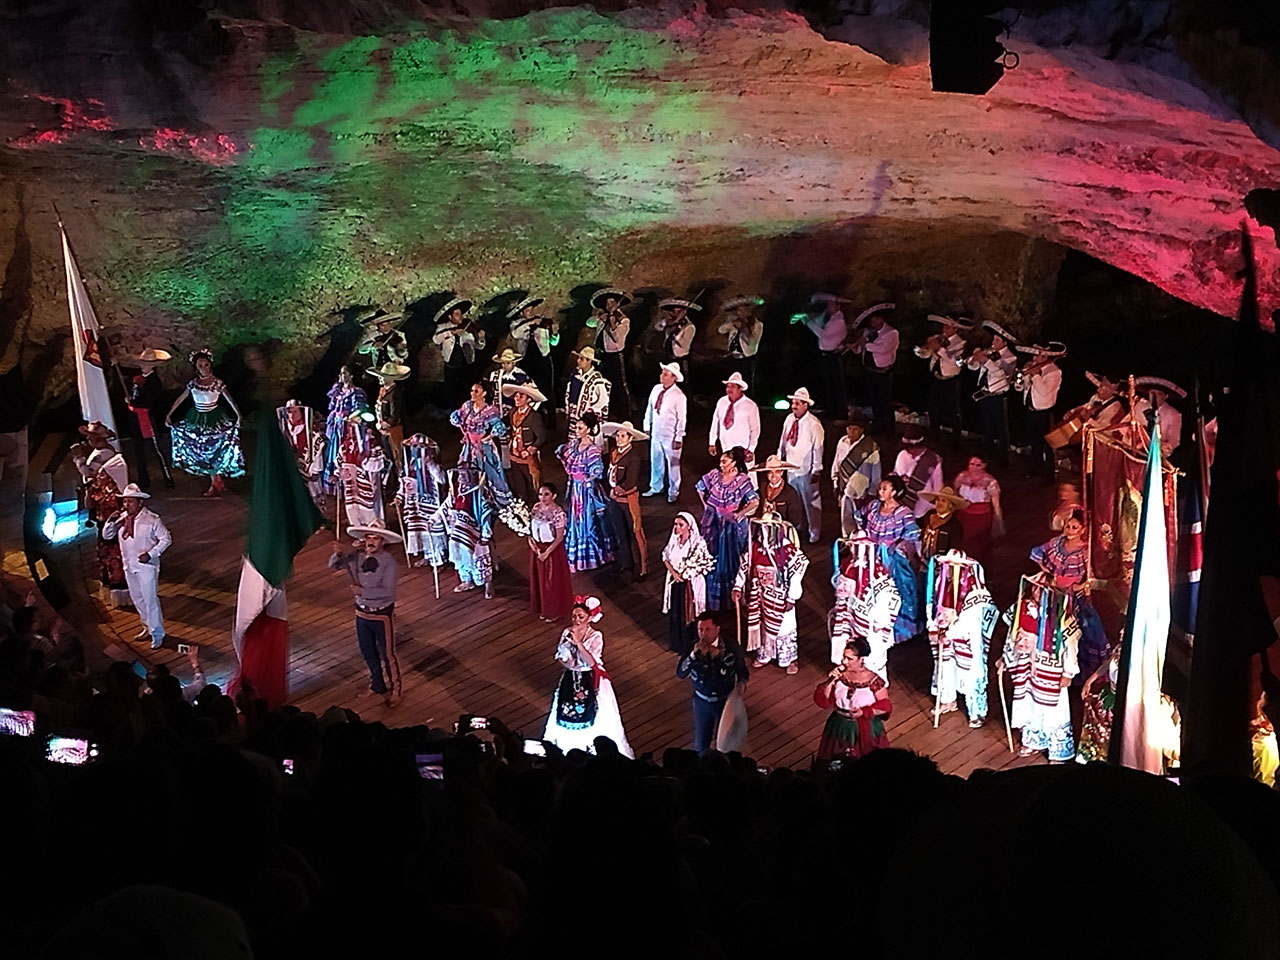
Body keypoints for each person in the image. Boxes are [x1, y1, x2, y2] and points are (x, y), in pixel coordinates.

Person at [1000, 571, 1080, 761]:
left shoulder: (1062, 615)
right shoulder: (1020, 608)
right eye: (1036, 587)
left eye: (1042, 589)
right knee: (1029, 702)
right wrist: (1005, 657)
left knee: (1055, 710)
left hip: (1051, 669)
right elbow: (1012, 635)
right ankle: (1033, 741)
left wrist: (1068, 672)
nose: (1037, 591)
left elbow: (1071, 644)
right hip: (1026, 666)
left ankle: (1057, 749)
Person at [543, 597, 633, 757]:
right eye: (574, 617)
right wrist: (570, 664)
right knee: (567, 708)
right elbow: (561, 656)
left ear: (590, 618)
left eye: (580, 617)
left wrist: (578, 643)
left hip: (591, 678)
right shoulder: (566, 632)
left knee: (596, 711)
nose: (576, 620)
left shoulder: (596, 636)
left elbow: (591, 661)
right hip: (572, 675)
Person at [1030, 508, 1109, 684]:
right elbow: (1038, 553)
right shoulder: (1057, 543)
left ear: (1082, 530)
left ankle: (1082, 676)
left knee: (1084, 634)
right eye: (1068, 526)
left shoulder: (1084, 551)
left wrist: (1078, 586)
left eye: (1074, 527)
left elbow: (1087, 577)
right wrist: (1049, 575)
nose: (1069, 530)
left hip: (1075, 600)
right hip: (1054, 595)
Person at [328, 519, 402, 705]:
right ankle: (377, 684)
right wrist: (337, 554)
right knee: (368, 651)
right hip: (361, 613)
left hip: (381, 614)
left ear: (382, 541)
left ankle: (396, 689)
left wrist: (364, 592)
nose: (370, 541)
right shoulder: (357, 556)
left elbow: (389, 592)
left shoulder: (389, 563)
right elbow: (336, 565)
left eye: (375, 538)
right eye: (368, 537)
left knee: (388, 654)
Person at [925, 550, 997, 727]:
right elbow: (933, 606)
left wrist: (949, 633)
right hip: (946, 635)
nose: (948, 569)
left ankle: (976, 712)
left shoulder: (976, 592)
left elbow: (969, 621)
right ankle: (948, 699)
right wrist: (933, 626)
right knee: (945, 665)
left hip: (966, 639)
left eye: (952, 567)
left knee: (970, 673)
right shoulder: (943, 583)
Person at [736, 513, 809, 675]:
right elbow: (744, 566)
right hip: (760, 595)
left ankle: (789, 658)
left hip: (780, 595)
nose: (764, 531)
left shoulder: (787, 549)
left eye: (767, 528)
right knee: (762, 624)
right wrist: (738, 586)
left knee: (785, 627)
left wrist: (792, 596)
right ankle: (765, 654)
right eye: (762, 527)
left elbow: (798, 571)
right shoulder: (754, 547)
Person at [165, 348, 245, 496]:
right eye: (200, 366)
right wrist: (170, 414)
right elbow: (181, 399)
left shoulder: (217, 383)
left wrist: (238, 416)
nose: (203, 368)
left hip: (214, 418)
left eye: (206, 365)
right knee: (202, 451)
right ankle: (215, 480)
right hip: (196, 418)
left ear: (210, 365)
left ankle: (216, 481)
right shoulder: (193, 383)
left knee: (215, 449)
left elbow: (230, 399)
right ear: (196, 368)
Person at [102, 483, 172, 649]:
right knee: (137, 599)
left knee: (150, 600)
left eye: (130, 501)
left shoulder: (152, 519)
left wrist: (152, 554)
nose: (126, 505)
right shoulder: (122, 518)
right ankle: (147, 626)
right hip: (129, 565)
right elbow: (107, 535)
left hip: (146, 566)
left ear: (140, 502)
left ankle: (157, 633)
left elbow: (166, 539)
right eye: (125, 501)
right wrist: (110, 522)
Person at [71, 421, 131, 608]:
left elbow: (89, 474)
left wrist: (78, 459)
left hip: (109, 513)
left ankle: (120, 587)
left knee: (113, 550)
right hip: (103, 512)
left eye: (92, 436)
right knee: (106, 550)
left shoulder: (105, 455)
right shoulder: (103, 454)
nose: (88, 439)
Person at [858, 475, 922, 643]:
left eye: (884, 489)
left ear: (894, 492)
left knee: (895, 593)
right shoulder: (873, 507)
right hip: (870, 556)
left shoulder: (903, 513)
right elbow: (859, 516)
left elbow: (913, 534)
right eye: (880, 488)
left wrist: (896, 547)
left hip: (891, 560)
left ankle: (897, 631)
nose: (880, 491)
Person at [696, 447, 760, 611]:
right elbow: (699, 487)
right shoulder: (714, 475)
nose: (721, 464)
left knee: (733, 560)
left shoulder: (742, 480)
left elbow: (754, 501)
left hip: (731, 527)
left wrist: (741, 513)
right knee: (712, 558)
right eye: (721, 461)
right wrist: (707, 506)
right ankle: (712, 600)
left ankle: (735, 598)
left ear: (734, 463)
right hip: (713, 523)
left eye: (724, 461)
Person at [676, 611, 749, 755]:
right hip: (702, 702)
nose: (703, 634)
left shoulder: (730, 647)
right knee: (701, 743)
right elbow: (681, 673)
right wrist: (692, 656)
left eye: (707, 629)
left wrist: (740, 687)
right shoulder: (693, 647)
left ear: (717, 628)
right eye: (700, 630)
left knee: (728, 744)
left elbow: (742, 671)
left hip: (724, 702)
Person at [813, 638, 892, 764]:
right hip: (839, 725)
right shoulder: (839, 676)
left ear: (861, 659)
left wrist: (865, 711)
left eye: (850, 659)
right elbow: (823, 700)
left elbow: (885, 706)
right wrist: (831, 681)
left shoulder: (873, 680)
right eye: (844, 657)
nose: (844, 662)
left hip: (864, 728)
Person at [556, 412, 615, 572]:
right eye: (576, 426)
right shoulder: (574, 445)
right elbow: (564, 456)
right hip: (575, 488)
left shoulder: (593, 449)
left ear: (589, 429)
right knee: (575, 520)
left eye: (581, 427)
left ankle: (592, 557)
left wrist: (586, 479)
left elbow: (597, 471)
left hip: (586, 491)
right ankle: (576, 557)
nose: (577, 429)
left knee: (587, 520)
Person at [118, 346, 174, 488]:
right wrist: (115, 364)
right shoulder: (139, 377)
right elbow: (126, 372)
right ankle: (143, 479)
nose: (142, 367)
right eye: (142, 364)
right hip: (134, 416)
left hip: (146, 417)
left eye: (146, 365)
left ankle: (167, 477)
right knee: (137, 448)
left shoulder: (155, 382)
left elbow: (147, 401)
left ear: (152, 366)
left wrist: (131, 401)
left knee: (155, 448)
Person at [661, 512, 715, 654]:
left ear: (689, 527)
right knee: (676, 611)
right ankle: (677, 643)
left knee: (690, 613)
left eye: (680, 525)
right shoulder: (674, 540)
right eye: (675, 524)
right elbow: (665, 556)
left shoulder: (698, 543)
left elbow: (702, 563)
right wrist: (674, 573)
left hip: (690, 584)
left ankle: (691, 644)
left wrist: (687, 573)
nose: (677, 528)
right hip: (675, 582)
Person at [966, 321, 1018, 466]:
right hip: (984, 393)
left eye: (997, 340)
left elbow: (1003, 374)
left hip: (998, 395)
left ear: (1004, 342)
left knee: (1001, 428)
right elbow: (974, 368)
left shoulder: (1010, 357)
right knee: (987, 425)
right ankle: (986, 454)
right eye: (993, 339)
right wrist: (973, 359)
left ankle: (1003, 458)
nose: (993, 342)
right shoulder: (989, 352)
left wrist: (987, 361)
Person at [777, 386, 825, 543]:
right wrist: (779, 459)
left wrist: (816, 469)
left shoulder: (813, 424)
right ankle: (798, 527)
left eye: (798, 403)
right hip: (791, 468)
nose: (794, 406)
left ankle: (814, 531)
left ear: (806, 405)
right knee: (795, 501)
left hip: (806, 470)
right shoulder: (789, 419)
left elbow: (818, 448)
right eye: (793, 402)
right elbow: (783, 442)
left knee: (810, 502)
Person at [452, 381, 512, 506]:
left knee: (488, 472)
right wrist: (464, 431)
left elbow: (499, 428)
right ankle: (470, 499)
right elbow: (457, 417)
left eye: (476, 391)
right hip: (469, 446)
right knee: (467, 470)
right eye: (472, 391)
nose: (472, 394)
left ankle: (491, 500)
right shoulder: (467, 406)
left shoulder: (490, 411)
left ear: (484, 393)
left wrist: (487, 437)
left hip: (484, 448)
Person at [603, 420, 650, 579]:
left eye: (623, 436)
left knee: (636, 533)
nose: (619, 438)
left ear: (630, 438)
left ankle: (642, 568)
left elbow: (631, 482)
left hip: (628, 501)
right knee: (620, 532)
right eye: (618, 435)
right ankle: (626, 564)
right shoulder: (614, 453)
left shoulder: (633, 458)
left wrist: (617, 491)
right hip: (615, 500)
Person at [394, 434, 448, 569]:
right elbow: (404, 483)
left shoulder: (432, 466)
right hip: (413, 504)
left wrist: (429, 464)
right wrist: (399, 497)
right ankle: (427, 555)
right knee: (419, 530)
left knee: (432, 530)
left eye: (419, 447)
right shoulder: (408, 465)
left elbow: (442, 480)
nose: (416, 450)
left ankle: (438, 560)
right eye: (413, 447)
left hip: (429, 503)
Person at [915, 314, 970, 444]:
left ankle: (955, 440)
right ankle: (935, 435)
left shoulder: (961, 343)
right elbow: (925, 354)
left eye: (948, 326)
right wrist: (924, 348)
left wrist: (940, 349)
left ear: (955, 329)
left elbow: (957, 362)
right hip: (937, 377)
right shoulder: (938, 338)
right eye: (943, 326)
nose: (944, 329)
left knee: (953, 411)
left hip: (951, 380)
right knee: (933, 408)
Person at [1017, 343, 1065, 480]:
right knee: (1034, 442)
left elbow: (1044, 392)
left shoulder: (1054, 372)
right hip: (1030, 409)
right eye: (1035, 354)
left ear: (1046, 356)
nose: (1035, 357)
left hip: (1044, 412)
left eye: (1039, 355)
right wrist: (1023, 379)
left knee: (1047, 445)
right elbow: (1025, 387)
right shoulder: (1032, 366)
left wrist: (1036, 375)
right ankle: (1035, 469)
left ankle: (1049, 475)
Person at [447, 463, 496, 597]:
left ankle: (487, 584)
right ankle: (466, 580)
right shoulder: (456, 490)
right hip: (458, 530)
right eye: (460, 475)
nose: (460, 478)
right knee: (461, 556)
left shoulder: (478, 492)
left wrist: (485, 535)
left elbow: (485, 515)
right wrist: (433, 519)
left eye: (464, 475)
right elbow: (446, 505)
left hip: (475, 530)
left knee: (480, 558)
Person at [849, 304, 899, 434]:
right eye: (871, 320)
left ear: (882, 319)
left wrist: (866, 344)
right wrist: (856, 347)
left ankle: (889, 429)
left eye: (876, 319)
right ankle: (879, 425)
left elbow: (883, 349)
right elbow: (862, 349)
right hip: (870, 370)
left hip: (883, 372)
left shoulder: (892, 333)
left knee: (885, 401)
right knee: (874, 400)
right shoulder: (868, 331)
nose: (873, 322)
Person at [528, 482, 574, 621]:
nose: (543, 497)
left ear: (554, 496)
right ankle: (541, 606)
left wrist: (546, 553)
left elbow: (559, 537)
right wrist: (535, 548)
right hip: (537, 549)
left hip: (552, 550)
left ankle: (553, 610)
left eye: (546, 494)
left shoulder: (558, 513)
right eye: (541, 494)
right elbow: (528, 531)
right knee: (539, 579)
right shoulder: (535, 508)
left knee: (551, 581)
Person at [643, 362, 687, 503]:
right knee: (656, 460)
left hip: (670, 435)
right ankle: (656, 486)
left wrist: (678, 436)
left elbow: (682, 418)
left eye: (666, 374)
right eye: (662, 373)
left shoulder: (679, 396)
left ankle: (674, 490)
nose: (662, 376)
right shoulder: (656, 389)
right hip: (656, 432)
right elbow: (650, 408)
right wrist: (647, 426)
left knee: (673, 464)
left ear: (674, 377)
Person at [507, 295, 558, 419]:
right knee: (529, 390)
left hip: (543, 359)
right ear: (522, 312)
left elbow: (553, 342)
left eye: (531, 309)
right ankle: (533, 417)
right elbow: (515, 334)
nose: (530, 312)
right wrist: (530, 323)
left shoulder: (543, 323)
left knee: (547, 389)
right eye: (527, 310)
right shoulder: (517, 324)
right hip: (526, 361)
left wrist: (555, 333)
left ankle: (551, 418)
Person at [832, 413, 881, 537]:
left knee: (862, 521)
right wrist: (835, 482)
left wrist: (871, 493)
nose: (851, 432)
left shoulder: (870, 447)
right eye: (849, 428)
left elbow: (876, 472)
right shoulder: (842, 443)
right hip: (845, 488)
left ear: (861, 430)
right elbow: (836, 464)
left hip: (862, 492)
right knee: (846, 519)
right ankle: (847, 542)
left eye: (855, 429)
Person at [432, 297, 485, 409]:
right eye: (457, 314)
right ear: (450, 317)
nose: (460, 317)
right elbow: (436, 339)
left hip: (467, 365)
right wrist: (451, 332)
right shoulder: (443, 327)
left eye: (461, 314)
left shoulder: (469, 327)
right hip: (451, 366)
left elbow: (480, 346)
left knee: (467, 390)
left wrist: (480, 338)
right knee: (452, 391)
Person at [803, 292, 849, 418]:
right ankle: (831, 410)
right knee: (828, 384)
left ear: (838, 306)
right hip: (825, 355)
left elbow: (824, 334)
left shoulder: (839, 321)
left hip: (834, 356)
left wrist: (808, 321)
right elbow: (816, 322)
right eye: (827, 305)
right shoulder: (827, 316)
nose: (828, 307)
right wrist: (807, 317)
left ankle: (841, 413)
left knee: (838, 385)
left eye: (831, 305)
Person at [323, 364, 369, 490]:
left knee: (347, 453)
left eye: (345, 373)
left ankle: (349, 484)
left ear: (351, 376)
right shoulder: (337, 392)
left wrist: (349, 418)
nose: (342, 376)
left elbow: (360, 409)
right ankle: (334, 484)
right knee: (334, 453)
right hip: (337, 428)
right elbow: (332, 408)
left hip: (348, 428)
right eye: (341, 373)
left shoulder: (356, 392)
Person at [953, 455, 1005, 565]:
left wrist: (998, 519)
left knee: (979, 545)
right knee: (962, 542)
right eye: (972, 464)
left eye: (978, 465)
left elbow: (996, 503)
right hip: (964, 514)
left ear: (984, 466)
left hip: (981, 516)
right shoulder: (962, 477)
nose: (974, 468)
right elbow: (955, 494)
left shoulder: (990, 481)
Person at [337, 416, 388, 528]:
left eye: (353, 426)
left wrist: (364, 459)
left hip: (367, 480)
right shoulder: (346, 443)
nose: (350, 429)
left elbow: (376, 466)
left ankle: (376, 529)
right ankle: (359, 530)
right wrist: (340, 472)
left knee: (370, 504)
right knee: (353, 504)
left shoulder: (370, 442)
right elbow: (340, 460)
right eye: (349, 426)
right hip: (351, 482)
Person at [589, 288, 632, 419]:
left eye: (612, 303)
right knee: (604, 383)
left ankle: (625, 415)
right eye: (607, 304)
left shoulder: (624, 320)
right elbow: (589, 323)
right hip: (602, 355)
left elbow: (617, 338)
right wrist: (600, 318)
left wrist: (613, 324)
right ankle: (607, 411)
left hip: (615, 355)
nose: (609, 306)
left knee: (620, 384)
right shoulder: (604, 316)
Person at [503, 382, 547, 505]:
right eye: (516, 396)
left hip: (527, 458)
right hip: (513, 454)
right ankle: (522, 506)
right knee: (518, 483)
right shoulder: (512, 413)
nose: (517, 398)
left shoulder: (534, 416)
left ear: (528, 399)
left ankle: (536, 506)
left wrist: (531, 449)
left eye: (521, 396)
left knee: (532, 483)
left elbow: (542, 437)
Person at [708, 371, 760, 475]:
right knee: (728, 471)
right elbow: (715, 422)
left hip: (743, 446)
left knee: (746, 473)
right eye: (728, 386)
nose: (729, 389)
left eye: (733, 387)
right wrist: (712, 441)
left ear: (740, 388)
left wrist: (751, 449)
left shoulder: (750, 405)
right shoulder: (722, 401)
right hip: (726, 444)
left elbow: (755, 429)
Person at [892, 423, 942, 520]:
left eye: (914, 448)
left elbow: (937, 487)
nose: (911, 451)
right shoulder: (902, 455)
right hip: (902, 506)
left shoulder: (933, 460)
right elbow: (895, 478)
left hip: (923, 509)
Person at [280, 399, 326, 507]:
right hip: (292, 471)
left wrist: (315, 470)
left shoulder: (311, 431)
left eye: (295, 411)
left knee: (314, 495)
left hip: (309, 470)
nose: (292, 414)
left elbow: (318, 449)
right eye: (289, 412)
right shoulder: (284, 430)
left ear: (301, 412)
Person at [564, 346, 611, 448]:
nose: (578, 361)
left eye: (581, 359)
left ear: (589, 361)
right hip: (574, 414)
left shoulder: (597, 380)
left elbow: (603, 400)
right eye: (579, 358)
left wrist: (590, 411)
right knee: (574, 439)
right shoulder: (575, 376)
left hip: (587, 416)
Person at [752, 455, 807, 537]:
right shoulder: (762, 489)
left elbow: (795, 519)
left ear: (782, 472)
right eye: (770, 472)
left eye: (777, 472)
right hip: (762, 532)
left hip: (783, 534)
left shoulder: (790, 492)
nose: (774, 476)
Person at [718, 296, 763, 388]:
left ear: (749, 311)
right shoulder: (734, 322)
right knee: (732, 381)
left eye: (744, 310)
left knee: (746, 383)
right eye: (739, 310)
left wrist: (743, 328)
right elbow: (721, 330)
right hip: (733, 357)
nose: (742, 313)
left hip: (747, 359)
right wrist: (730, 322)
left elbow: (752, 343)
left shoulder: (757, 325)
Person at [367, 361, 409, 463]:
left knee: (395, 455)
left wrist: (385, 424)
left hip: (392, 431)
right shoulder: (383, 391)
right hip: (383, 429)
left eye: (383, 376)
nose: (380, 378)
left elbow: (394, 415)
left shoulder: (395, 394)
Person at [1132, 377, 1185, 452]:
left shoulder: (1174, 414)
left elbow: (1174, 441)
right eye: (1152, 393)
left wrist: (1162, 446)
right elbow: (1123, 427)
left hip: (1158, 453)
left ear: (1166, 396)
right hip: (1137, 449)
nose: (1154, 397)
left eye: (1159, 394)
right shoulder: (1140, 406)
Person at [655, 298, 700, 383]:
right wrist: (668, 322)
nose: (676, 314)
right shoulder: (671, 322)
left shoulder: (689, 326)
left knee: (683, 382)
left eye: (679, 312)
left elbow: (684, 344)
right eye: (675, 311)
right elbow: (657, 327)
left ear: (684, 312)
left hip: (680, 359)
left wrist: (677, 334)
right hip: (668, 356)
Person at [918, 486, 968, 560]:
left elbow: (954, 549)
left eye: (943, 501)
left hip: (941, 565)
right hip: (923, 562)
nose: (939, 503)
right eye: (938, 500)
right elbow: (917, 526)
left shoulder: (955, 525)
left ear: (950, 505)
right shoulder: (929, 515)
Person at [488, 348, 537, 418]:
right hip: (499, 410)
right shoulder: (495, 375)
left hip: (515, 410)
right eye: (503, 363)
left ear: (513, 363)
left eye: (508, 363)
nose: (505, 366)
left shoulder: (521, 376)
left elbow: (532, 394)